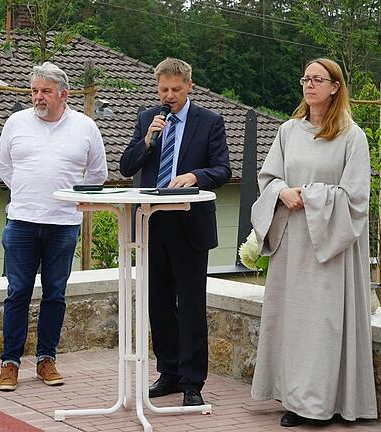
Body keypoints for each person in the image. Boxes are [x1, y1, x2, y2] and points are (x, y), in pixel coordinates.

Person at [250, 58, 377, 427]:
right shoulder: (289, 131)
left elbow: (356, 199)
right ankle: (293, 397)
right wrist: (282, 192)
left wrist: (309, 195)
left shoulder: (352, 136)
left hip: (329, 247)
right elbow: (269, 178)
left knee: (322, 324)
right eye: (305, 78)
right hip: (292, 243)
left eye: (317, 79)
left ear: (335, 86)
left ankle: (319, 404)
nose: (309, 85)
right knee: (292, 322)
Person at [120, 58, 231, 406]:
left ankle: (192, 382)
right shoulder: (146, 119)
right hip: (153, 225)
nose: (169, 96)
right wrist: (149, 141)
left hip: (190, 226)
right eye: (163, 90)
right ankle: (167, 372)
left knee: (191, 305)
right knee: (159, 304)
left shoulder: (210, 122)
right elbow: (126, 167)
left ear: (189, 87)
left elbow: (223, 169)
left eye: (175, 90)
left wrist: (196, 176)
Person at [0, 62, 108, 391]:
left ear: (63, 94)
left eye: (45, 91)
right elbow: (4, 165)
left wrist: (70, 200)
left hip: (63, 224)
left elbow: (97, 174)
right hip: (22, 222)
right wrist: (30, 195)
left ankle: (46, 359)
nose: (38, 97)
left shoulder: (85, 127)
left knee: (55, 293)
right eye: (34, 91)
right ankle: (9, 364)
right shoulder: (16, 122)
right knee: (17, 292)